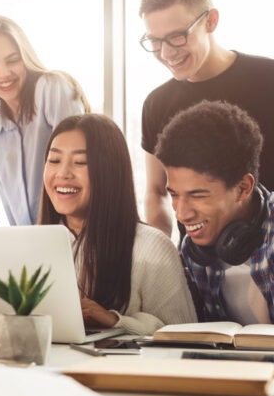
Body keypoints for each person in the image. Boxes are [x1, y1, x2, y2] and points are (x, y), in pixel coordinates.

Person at [139, 0, 274, 237]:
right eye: (155, 40)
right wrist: (159, 252)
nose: (166, 52)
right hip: (199, 269)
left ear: (210, 21)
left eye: (176, 36)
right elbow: (155, 191)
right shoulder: (156, 104)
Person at [38, 114, 196, 335]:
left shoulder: (151, 247)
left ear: (110, 171)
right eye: (54, 160)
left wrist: (115, 321)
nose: (63, 173)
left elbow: (183, 335)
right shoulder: (34, 245)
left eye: (80, 163)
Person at [155, 99, 274, 325]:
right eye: (175, 195)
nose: (181, 214)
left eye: (198, 195)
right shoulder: (192, 252)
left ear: (242, 188)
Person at [0, 14, 90, 226]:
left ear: (26, 57)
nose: (3, 73)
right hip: (35, 249)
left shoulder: (51, 88)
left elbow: (82, 170)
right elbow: (16, 216)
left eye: (12, 60)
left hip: (76, 234)